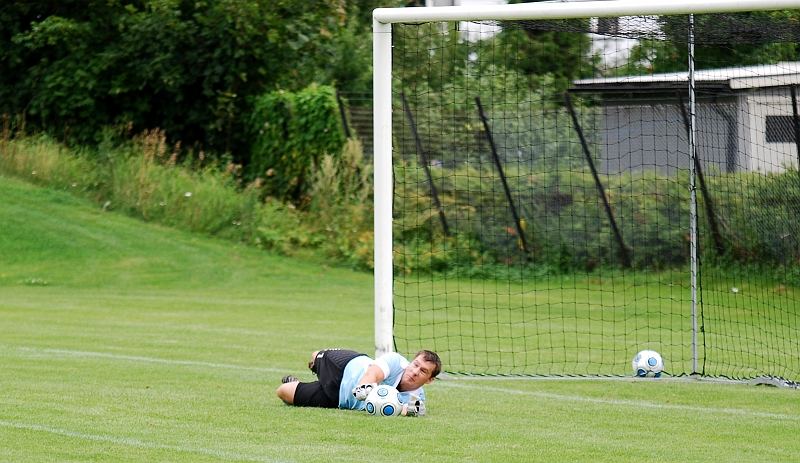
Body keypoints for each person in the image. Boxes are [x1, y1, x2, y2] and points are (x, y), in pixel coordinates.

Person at [276, 348, 441, 416]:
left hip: (338, 399)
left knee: (283, 391)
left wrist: (410, 411)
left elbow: (410, 409)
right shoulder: (396, 361)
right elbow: (372, 374)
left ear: (430, 380)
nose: (414, 372)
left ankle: (297, 382)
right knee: (316, 355)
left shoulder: (415, 398)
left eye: (423, 371)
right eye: (416, 365)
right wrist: (364, 387)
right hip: (346, 365)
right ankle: (317, 366)